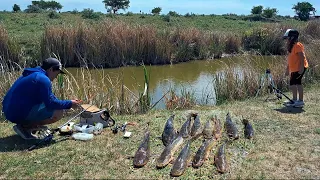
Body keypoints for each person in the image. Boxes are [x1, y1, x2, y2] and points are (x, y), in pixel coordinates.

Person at [2, 57, 82, 139]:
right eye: (57, 74)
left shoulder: (33, 74)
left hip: (9, 111)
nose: (55, 77)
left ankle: (26, 125)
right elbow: (51, 103)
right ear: (51, 69)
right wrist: (70, 103)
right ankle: (26, 127)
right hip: (16, 113)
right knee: (58, 112)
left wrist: (67, 103)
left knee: (53, 106)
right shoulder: (43, 79)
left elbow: (50, 99)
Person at [283, 29, 309, 107]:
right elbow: (290, 59)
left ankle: (300, 101)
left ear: (292, 38)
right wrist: (288, 69)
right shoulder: (291, 47)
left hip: (299, 68)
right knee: (292, 84)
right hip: (294, 69)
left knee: (298, 84)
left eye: (287, 38)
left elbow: (302, 57)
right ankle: (294, 100)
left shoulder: (298, 45)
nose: (286, 40)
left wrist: (301, 67)